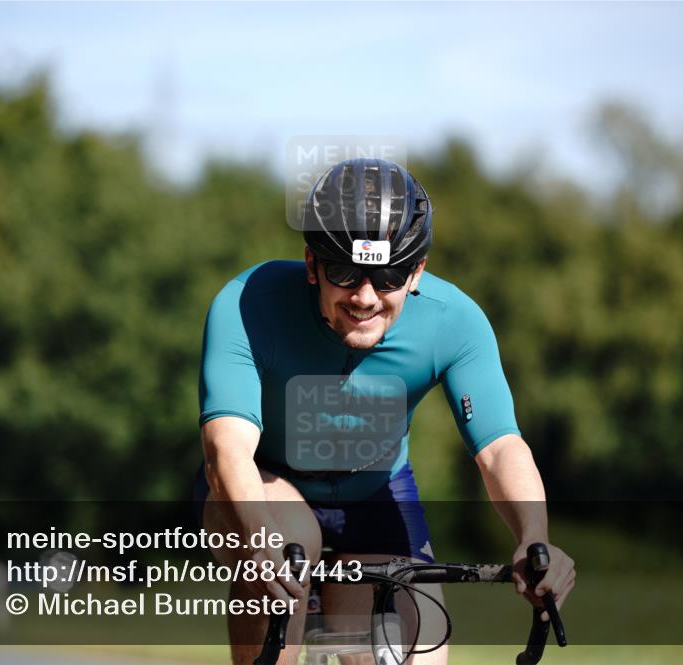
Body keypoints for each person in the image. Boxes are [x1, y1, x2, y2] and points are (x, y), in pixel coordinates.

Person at [193, 158, 575, 664]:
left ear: (416, 272)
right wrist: (260, 539)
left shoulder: (453, 321)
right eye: (345, 273)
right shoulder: (248, 302)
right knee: (289, 542)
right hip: (265, 485)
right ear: (312, 265)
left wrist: (533, 536)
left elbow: (500, 447)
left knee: (419, 652)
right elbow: (227, 449)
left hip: (374, 491)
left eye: (389, 275)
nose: (365, 297)